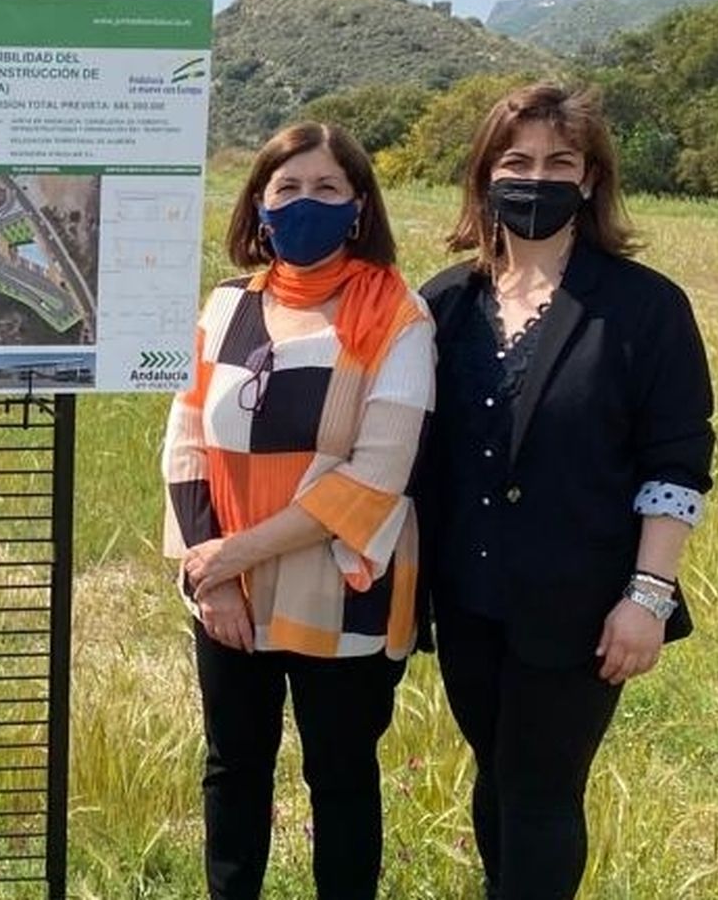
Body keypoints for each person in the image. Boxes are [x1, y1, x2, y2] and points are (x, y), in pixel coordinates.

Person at [418, 82, 712, 900]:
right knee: (496, 772)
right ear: (485, 177)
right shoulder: (444, 303)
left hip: (582, 608)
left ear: (589, 180)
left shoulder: (645, 308)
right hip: (468, 599)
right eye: (517, 161)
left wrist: (648, 596)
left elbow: (677, 462)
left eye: (560, 162)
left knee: (542, 792)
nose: (536, 177)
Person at [161, 122, 434, 899]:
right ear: (258, 203)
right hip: (227, 593)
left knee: (341, 775)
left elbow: (373, 478)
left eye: (326, 188)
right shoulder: (223, 307)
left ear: (358, 207)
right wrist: (208, 575)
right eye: (286, 188)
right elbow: (184, 442)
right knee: (233, 764)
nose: (303, 203)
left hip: (344, 589)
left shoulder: (399, 316)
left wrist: (235, 554)